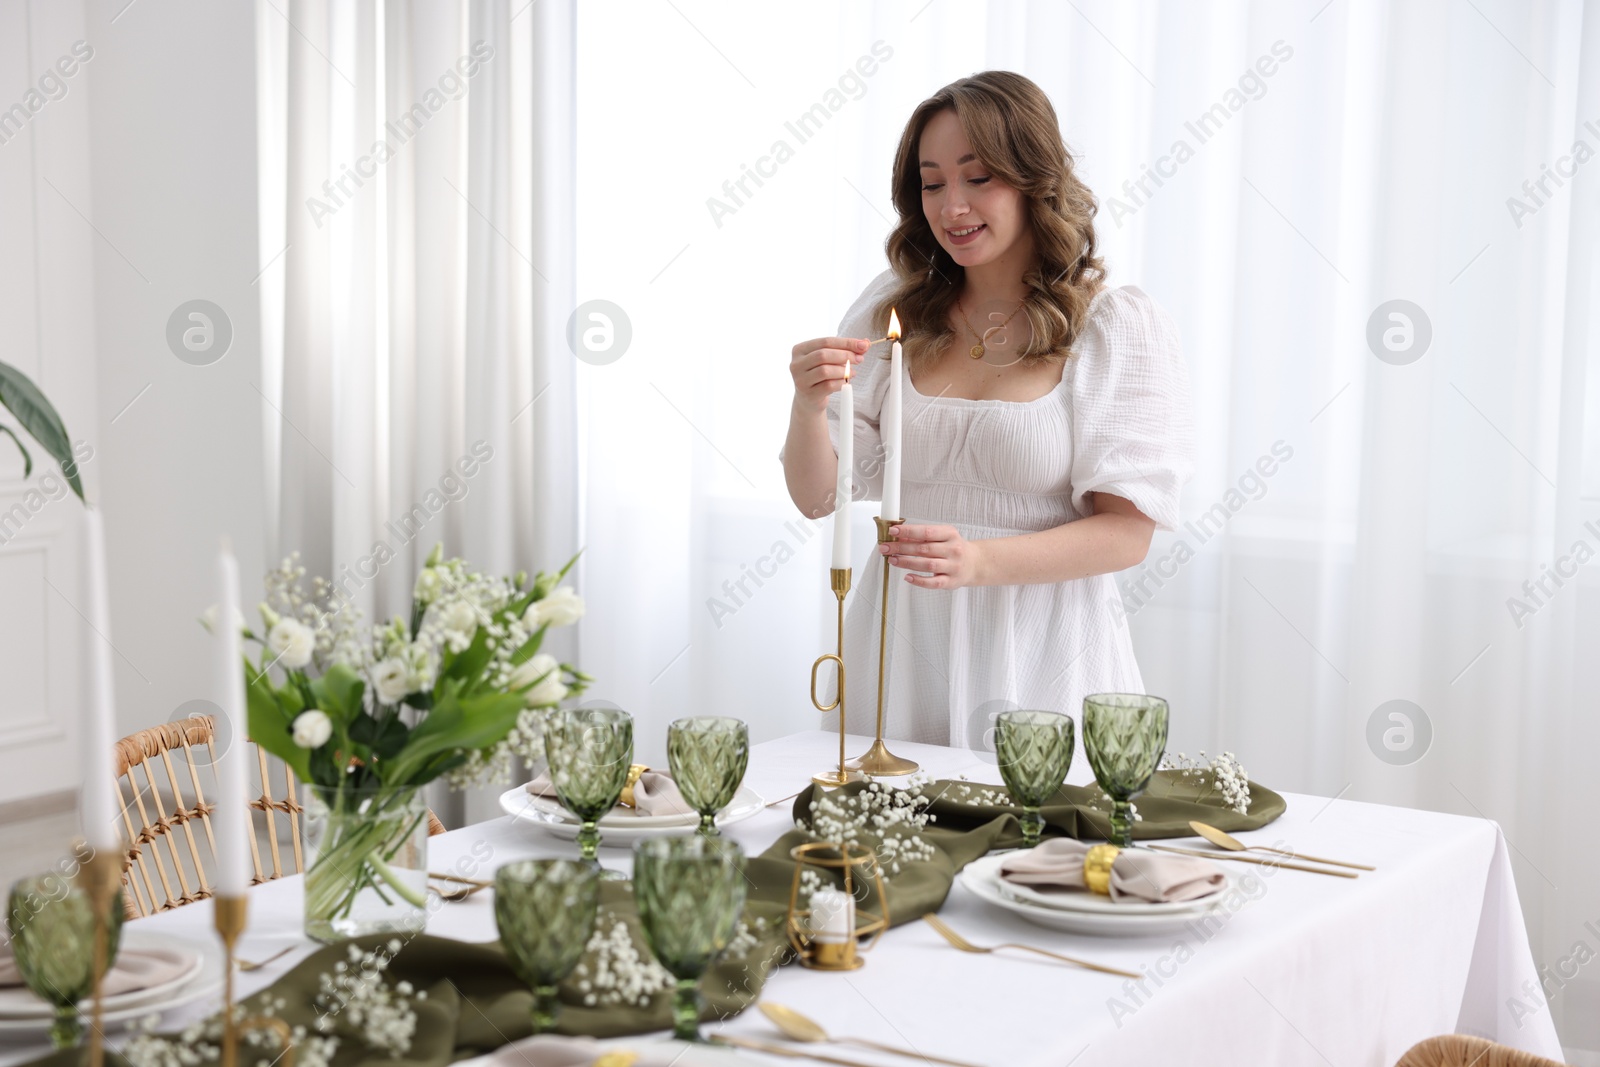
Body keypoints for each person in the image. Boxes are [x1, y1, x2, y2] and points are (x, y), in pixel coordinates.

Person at [780, 70, 1196, 748]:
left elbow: (1129, 534)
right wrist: (806, 406)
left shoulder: (1114, 323)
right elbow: (816, 495)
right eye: (933, 181)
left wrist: (979, 561)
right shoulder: (895, 310)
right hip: (901, 644)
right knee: (886, 844)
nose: (952, 206)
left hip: (1044, 653)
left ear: (1035, 180)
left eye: (979, 178)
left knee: (1035, 849)